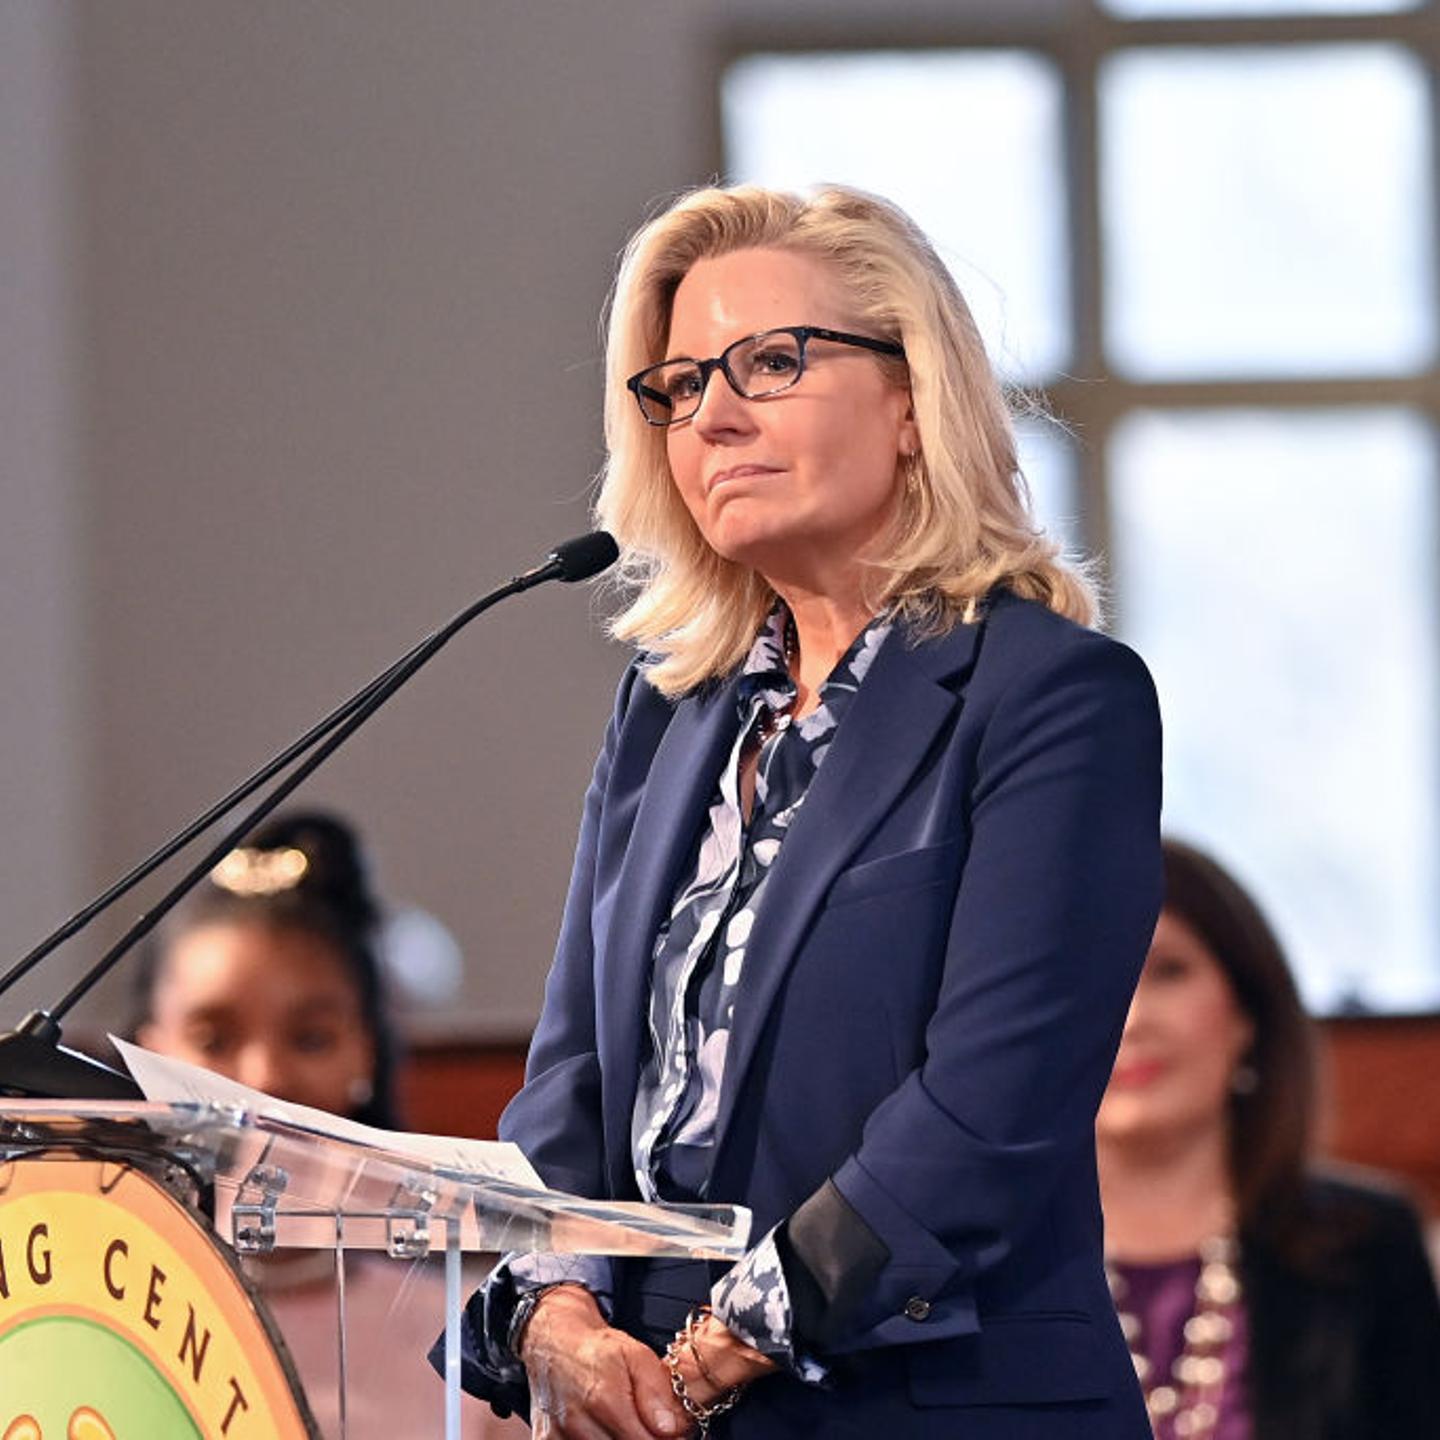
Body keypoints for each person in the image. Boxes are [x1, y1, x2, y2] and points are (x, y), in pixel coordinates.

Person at [451, 182, 1164, 1439]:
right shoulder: (669, 711)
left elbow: (989, 1114)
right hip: (647, 1398)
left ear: (911, 398)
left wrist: (710, 1357)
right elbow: (570, 1075)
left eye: (769, 362)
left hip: (929, 1400)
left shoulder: (1052, 698)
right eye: (675, 387)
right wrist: (558, 1314)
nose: (711, 415)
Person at [134, 809, 525, 1440]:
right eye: (213, 1038)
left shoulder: (471, 1337)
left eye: (311, 1038)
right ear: (149, 1054)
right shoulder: (87, 1298)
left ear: (365, 1052)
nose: (262, 1080)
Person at [1096, 837, 1440, 1440]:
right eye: (1095, 977)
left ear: (1248, 1015)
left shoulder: (1368, 1240)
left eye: (1169, 971)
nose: (1132, 1018)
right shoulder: (978, 1259)